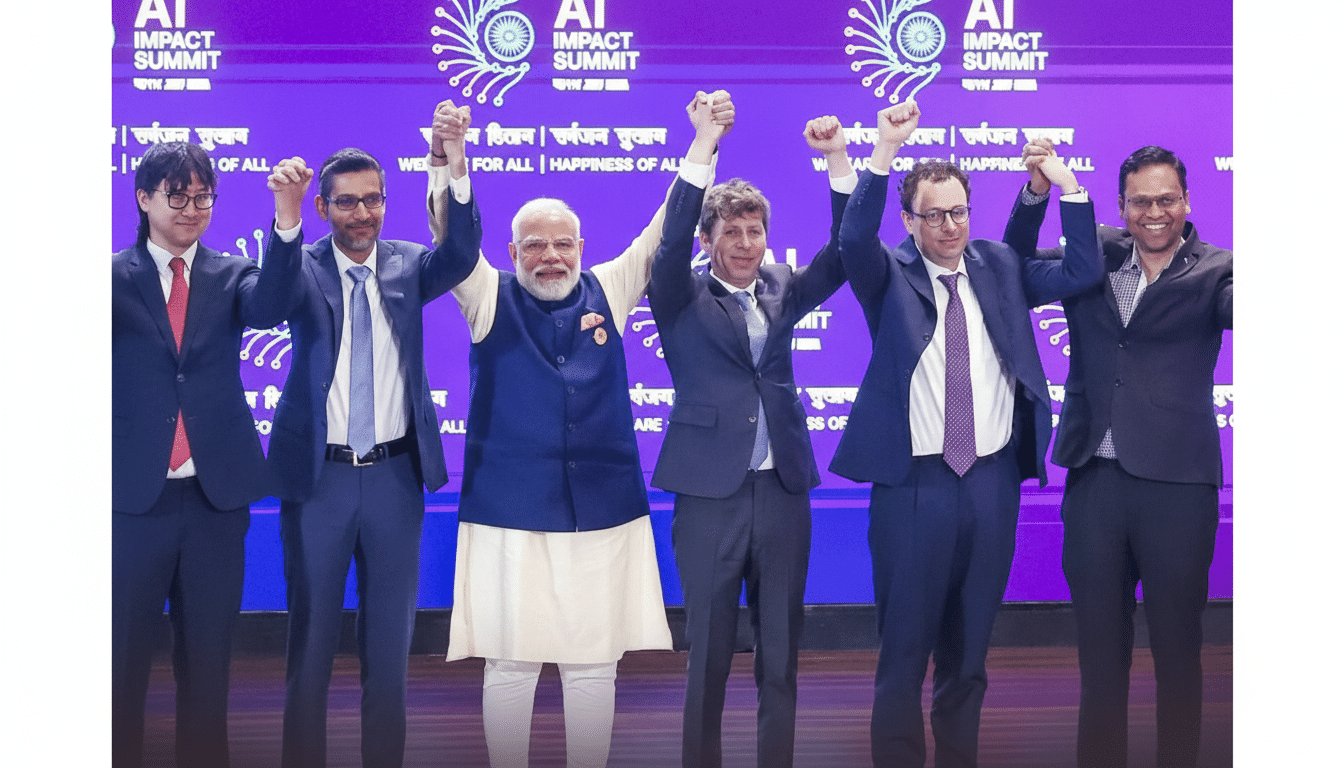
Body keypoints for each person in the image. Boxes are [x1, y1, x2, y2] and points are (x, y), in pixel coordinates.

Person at [425, 91, 733, 768]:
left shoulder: (610, 286)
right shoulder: (483, 292)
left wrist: (704, 142)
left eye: (563, 243)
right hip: (508, 513)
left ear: (582, 247)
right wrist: (453, 161)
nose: (551, 256)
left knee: (594, 666)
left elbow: (667, 230)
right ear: (512, 250)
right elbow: (455, 240)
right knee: (511, 664)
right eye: (534, 245)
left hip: (602, 507)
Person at [827, 100, 1103, 768]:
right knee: (902, 655)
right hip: (912, 486)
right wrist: (884, 149)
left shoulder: (997, 264)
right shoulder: (884, 272)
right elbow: (851, 240)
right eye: (934, 215)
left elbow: (1081, 271)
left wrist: (1064, 188)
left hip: (990, 482)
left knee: (969, 653)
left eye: (958, 212)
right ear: (910, 219)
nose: (949, 227)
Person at [262, 102, 483, 768]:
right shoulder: (300, 267)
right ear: (325, 209)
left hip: (394, 477)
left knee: (388, 652)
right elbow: (268, 302)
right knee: (311, 648)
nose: (362, 214)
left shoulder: (411, 265)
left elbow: (464, 251)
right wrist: (285, 218)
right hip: (318, 479)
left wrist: (455, 162)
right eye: (347, 203)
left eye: (374, 201)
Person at [1008, 144, 1232, 768]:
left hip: (1178, 488)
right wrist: (1035, 193)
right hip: (1095, 484)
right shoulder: (1095, 255)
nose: (1154, 213)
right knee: (1100, 656)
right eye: (1141, 201)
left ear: (1186, 202)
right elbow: (1016, 270)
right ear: (1121, 206)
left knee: (1178, 651)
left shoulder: (1218, 271)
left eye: (1166, 200)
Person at [647, 114, 855, 768]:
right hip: (710, 494)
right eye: (730, 231)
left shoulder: (783, 288)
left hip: (784, 491)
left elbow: (845, 253)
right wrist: (703, 147)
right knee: (708, 652)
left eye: (754, 230)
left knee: (781, 655)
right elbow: (672, 234)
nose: (744, 242)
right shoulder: (676, 292)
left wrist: (840, 162)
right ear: (709, 240)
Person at [112, 141, 307, 768]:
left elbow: (276, 303)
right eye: (178, 196)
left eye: (203, 197)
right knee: (118, 668)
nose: (192, 209)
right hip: (127, 500)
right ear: (143, 199)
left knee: (208, 664)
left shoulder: (231, 275)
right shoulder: (106, 279)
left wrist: (286, 217)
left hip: (213, 500)